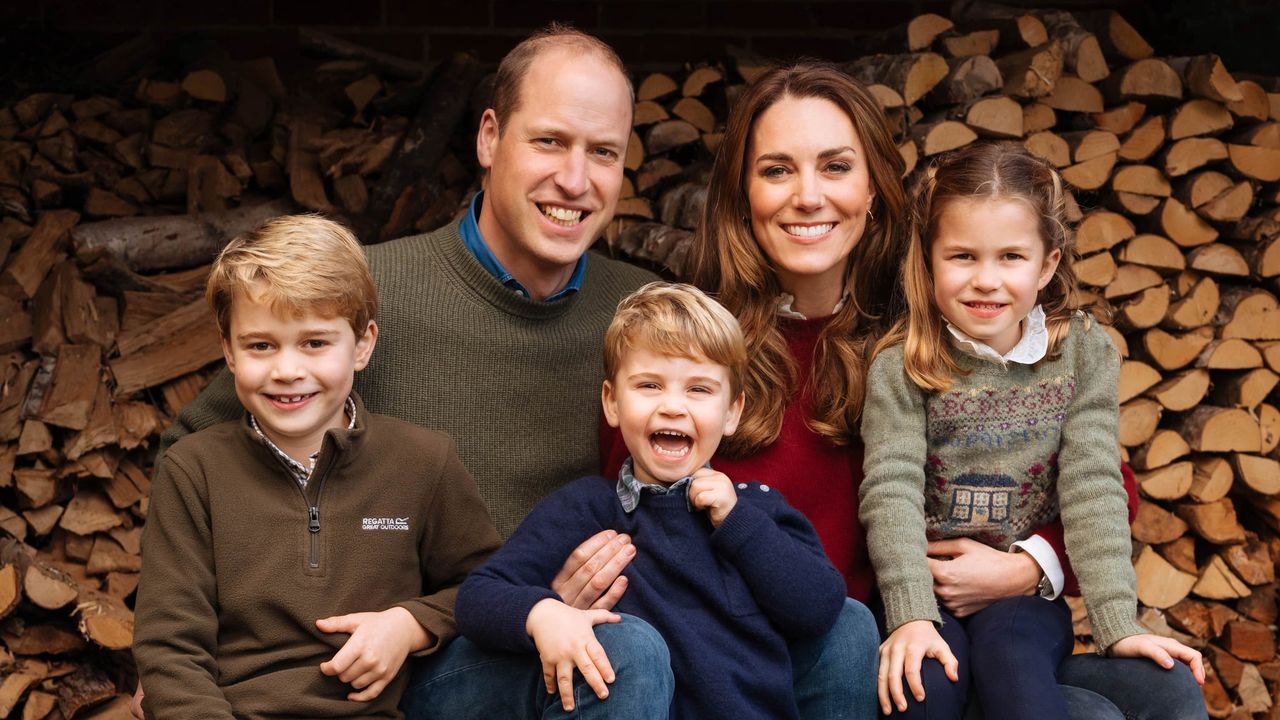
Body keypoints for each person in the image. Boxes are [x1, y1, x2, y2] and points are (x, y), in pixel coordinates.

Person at [603, 61, 1204, 720]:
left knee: (1165, 691)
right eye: (777, 170)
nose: (808, 196)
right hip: (815, 667)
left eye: (835, 167)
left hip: (962, 635)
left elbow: (1107, 480)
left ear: (873, 187)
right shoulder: (692, 349)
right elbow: (629, 501)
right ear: (741, 192)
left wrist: (1028, 568)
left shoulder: (937, 322)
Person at [859, 142, 1205, 720]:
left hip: (1019, 602)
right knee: (923, 687)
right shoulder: (904, 364)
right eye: (963, 256)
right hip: (926, 590)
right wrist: (911, 613)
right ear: (927, 259)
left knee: (1014, 666)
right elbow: (888, 490)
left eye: (1011, 257)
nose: (986, 280)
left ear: (1047, 264)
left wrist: (1118, 624)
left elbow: (1094, 487)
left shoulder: (1082, 353)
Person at [132, 215, 502, 718]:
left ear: (363, 344)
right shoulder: (193, 471)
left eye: (314, 342)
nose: (287, 370)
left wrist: (409, 623)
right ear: (229, 351)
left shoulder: (423, 462)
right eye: (261, 345)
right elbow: (170, 647)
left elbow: (486, 584)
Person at [456, 282, 848, 719]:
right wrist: (543, 614)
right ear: (612, 403)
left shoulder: (755, 510)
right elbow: (478, 597)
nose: (673, 407)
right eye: (649, 385)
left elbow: (821, 609)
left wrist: (738, 523)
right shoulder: (586, 509)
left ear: (733, 412)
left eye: (699, 390)